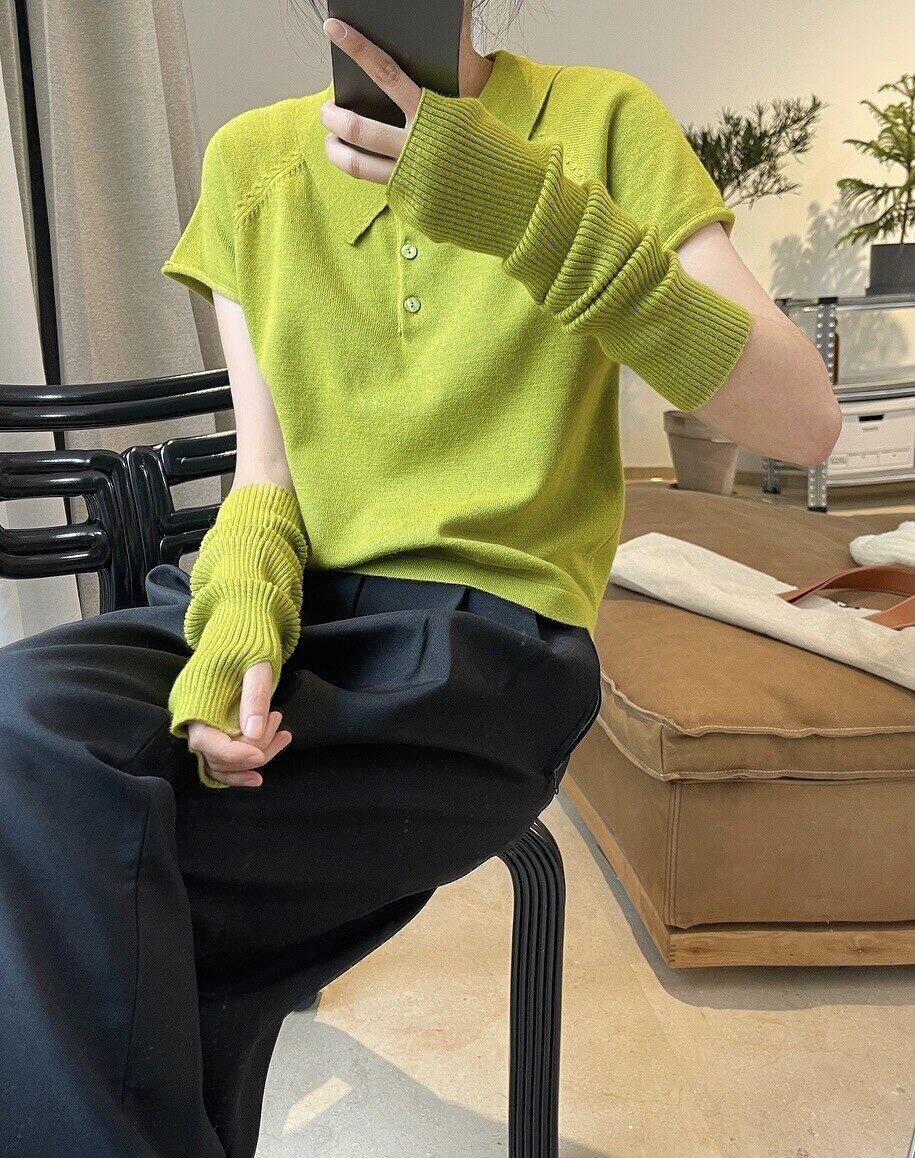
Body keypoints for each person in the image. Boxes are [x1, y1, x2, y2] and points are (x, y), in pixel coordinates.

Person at [0, 1, 841, 1154]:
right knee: (23, 728)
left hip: (484, 641)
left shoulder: (601, 122)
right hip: (287, 603)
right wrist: (238, 617)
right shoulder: (251, 160)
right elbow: (264, 473)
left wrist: (535, 218)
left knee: (75, 908)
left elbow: (802, 423)